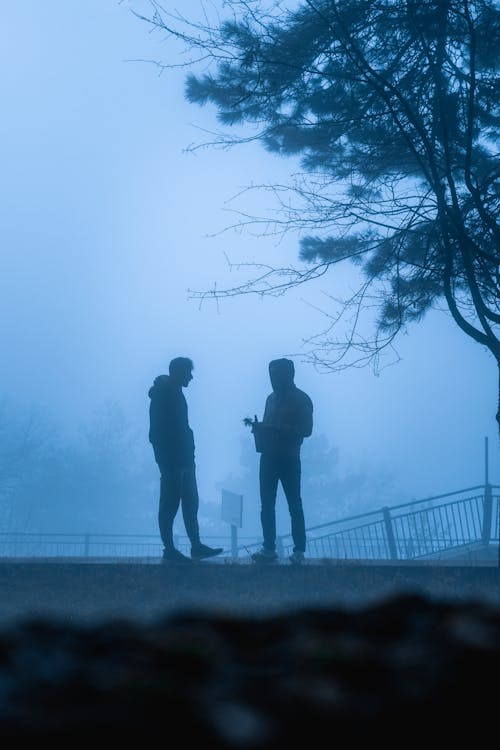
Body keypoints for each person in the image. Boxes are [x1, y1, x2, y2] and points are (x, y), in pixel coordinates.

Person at [148, 356, 223, 563]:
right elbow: (156, 433)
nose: (191, 377)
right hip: (172, 461)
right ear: (177, 372)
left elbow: (181, 428)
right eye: (188, 373)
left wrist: (189, 455)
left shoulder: (177, 394)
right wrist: (166, 461)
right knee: (170, 503)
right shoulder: (162, 396)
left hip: (185, 459)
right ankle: (170, 549)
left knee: (191, 502)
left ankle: (196, 546)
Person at [250, 358, 313, 565]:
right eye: (271, 375)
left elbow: (307, 430)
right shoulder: (270, 399)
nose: (273, 379)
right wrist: (260, 429)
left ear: (289, 375)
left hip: (289, 459)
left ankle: (299, 550)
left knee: (294, 504)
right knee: (266, 504)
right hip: (267, 457)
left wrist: (281, 429)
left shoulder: (302, 399)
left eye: (277, 375)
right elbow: (270, 424)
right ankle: (269, 548)